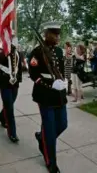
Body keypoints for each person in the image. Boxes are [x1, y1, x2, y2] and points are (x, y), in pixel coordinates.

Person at [28, 21, 67, 173]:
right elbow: (34, 75)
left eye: (59, 34)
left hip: (59, 94)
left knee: (62, 124)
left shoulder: (58, 51)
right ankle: (51, 161)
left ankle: (41, 138)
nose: (58, 37)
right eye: (55, 34)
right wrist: (51, 85)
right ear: (47, 35)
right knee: (50, 129)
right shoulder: (37, 52)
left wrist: (65, 82)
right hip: (44, 94)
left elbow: (61, 70)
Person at [0, 36, 23, 143]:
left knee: (10, 103)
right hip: (4, 83)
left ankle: (1, 117)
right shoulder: (2, 52)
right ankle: (12, 133)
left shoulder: (18, 53)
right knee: (9, 108)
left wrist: (18, 80)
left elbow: (19, 68)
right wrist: (5, 50)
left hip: (14, 84)